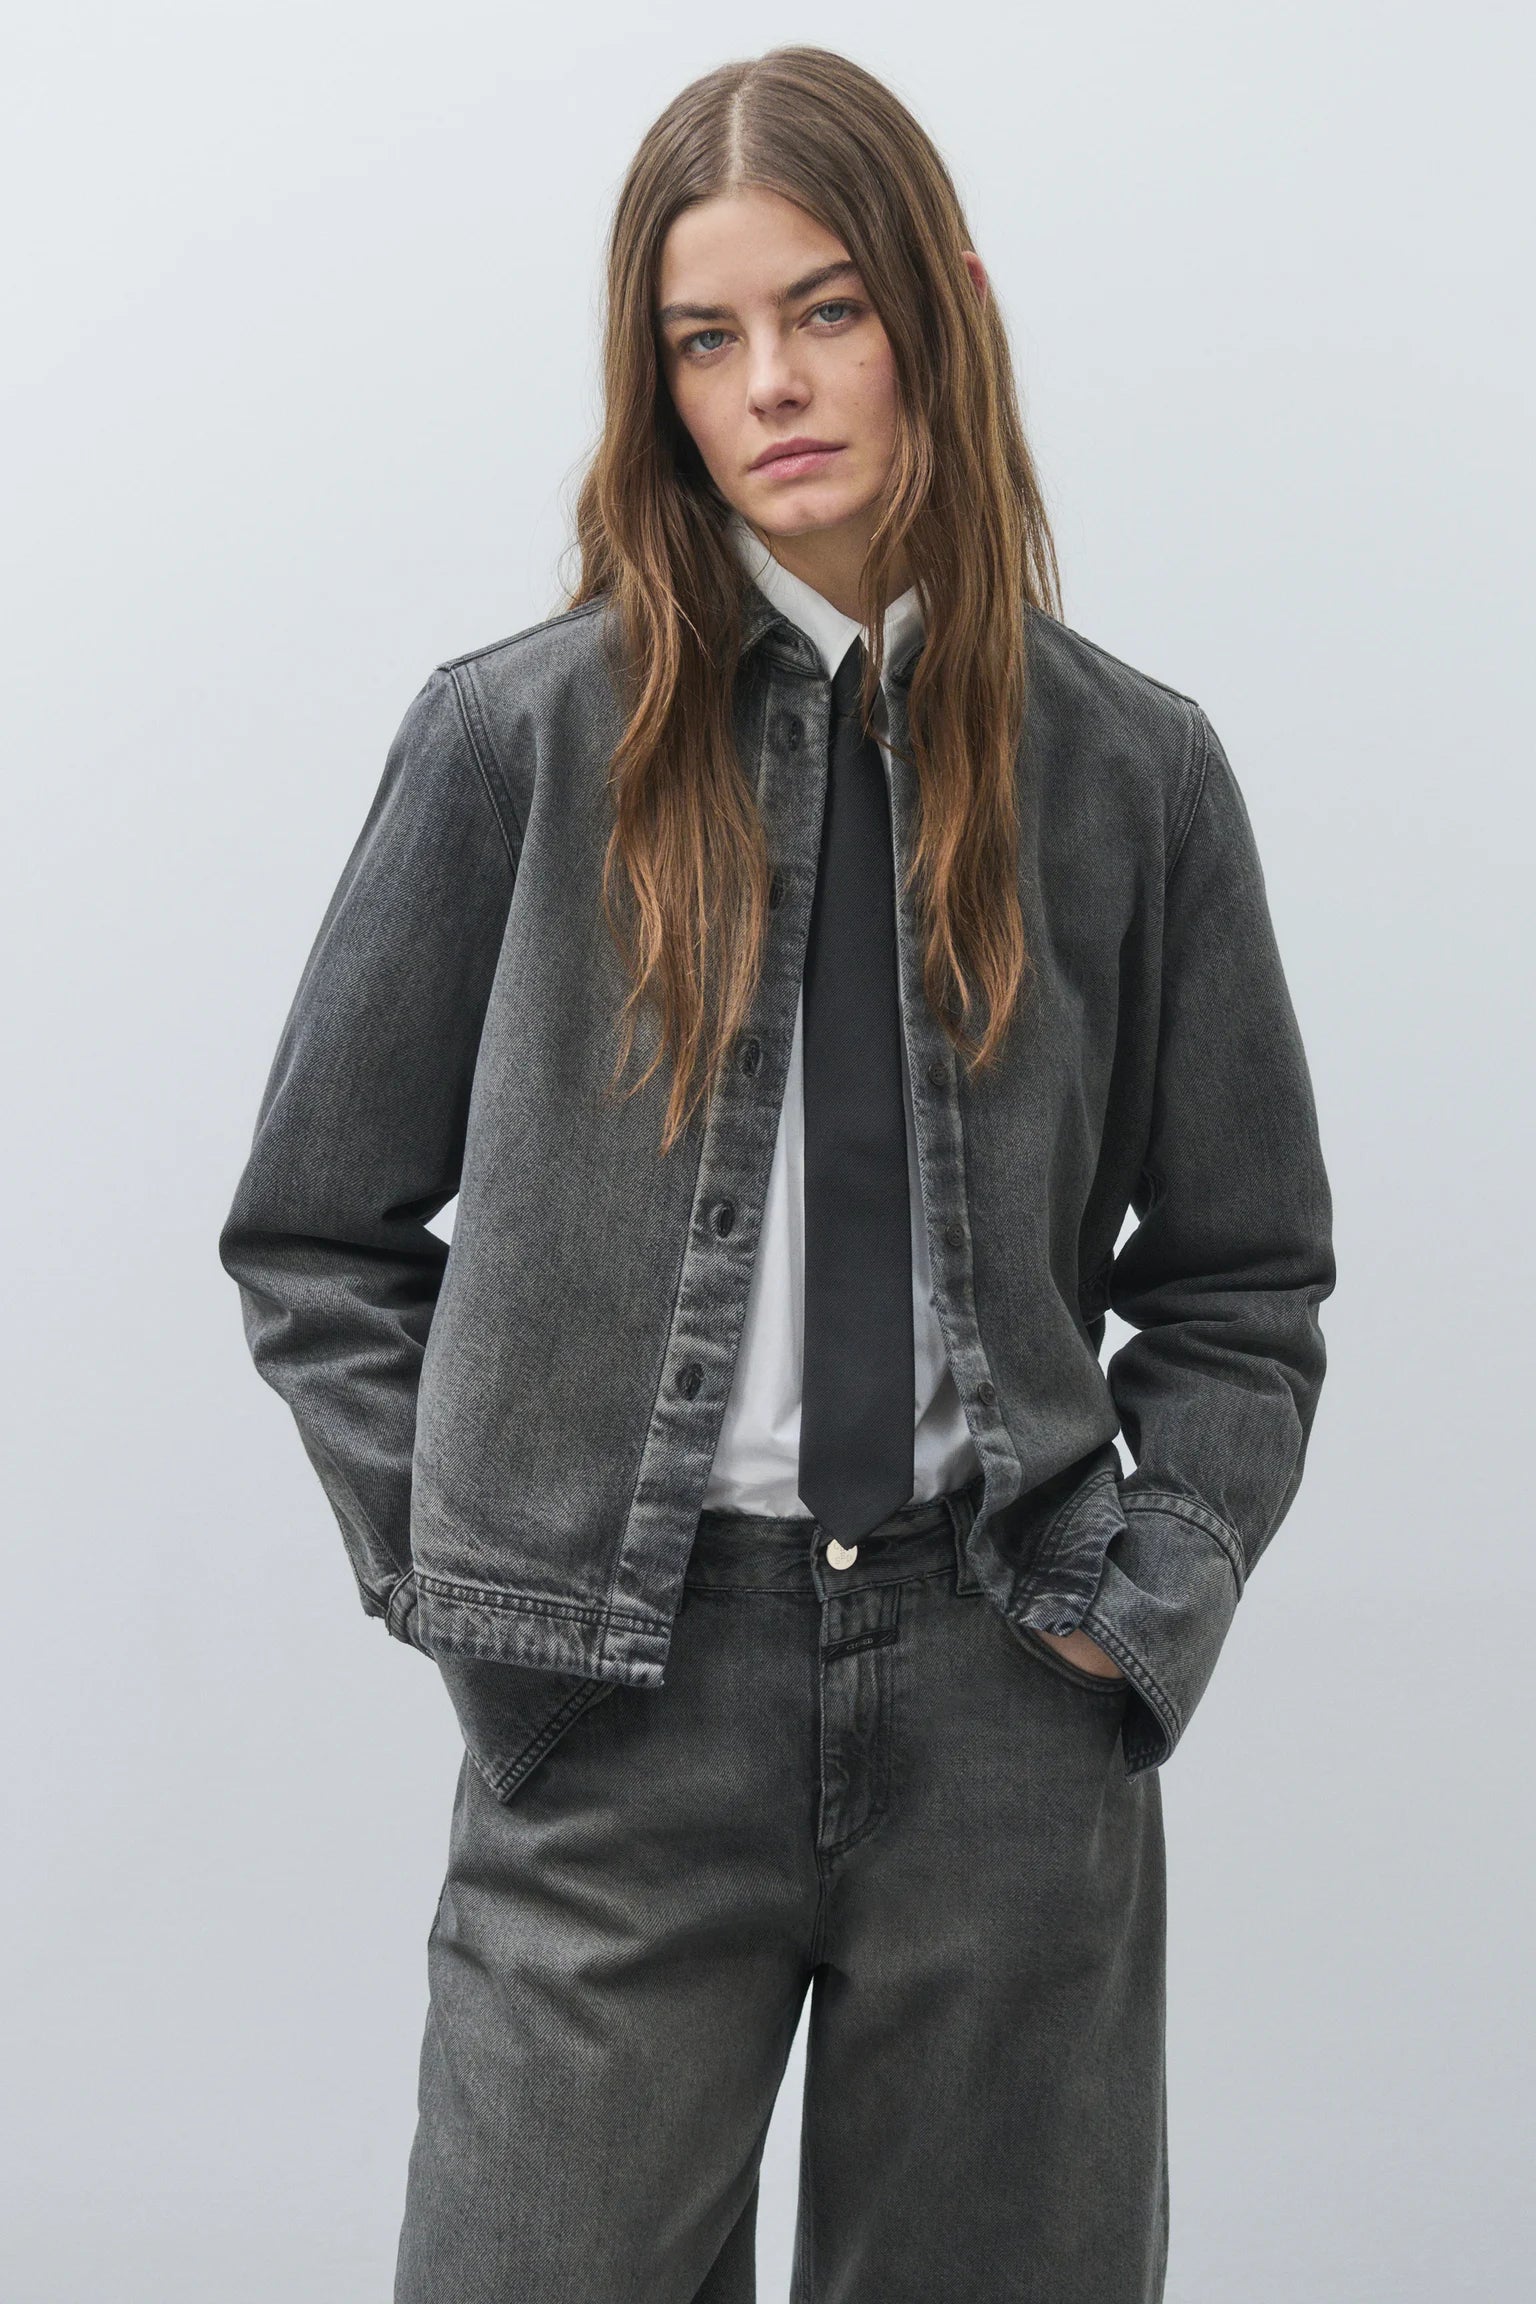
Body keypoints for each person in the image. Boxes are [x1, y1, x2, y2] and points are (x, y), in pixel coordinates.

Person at [218, 42, 1335, 2304]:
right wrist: (484, 1592)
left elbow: (1243, 1281)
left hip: (1007, 1689)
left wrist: (1136, 1614)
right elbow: (317, 1233)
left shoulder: (1132, 774)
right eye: (705, 338)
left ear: (945, 308)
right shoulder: (516, 742)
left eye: (827, 311)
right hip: (621, 1711)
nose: (773, 388)